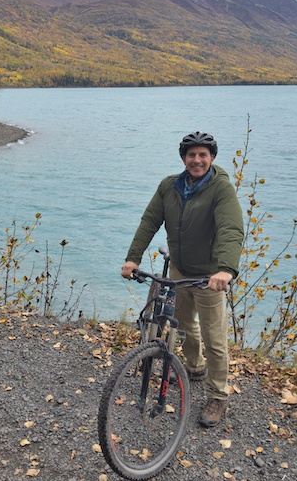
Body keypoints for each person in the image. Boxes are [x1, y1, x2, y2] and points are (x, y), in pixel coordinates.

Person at [121, 131, 244, 427]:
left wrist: (225, 269)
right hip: (178, 270)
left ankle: (218, 396)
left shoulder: (221, 189)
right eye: (192, 155)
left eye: (203, 155)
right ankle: (194, 367)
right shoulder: (169, 186)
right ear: (183, 159)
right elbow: (150, 221)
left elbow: (231, 229)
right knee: (185, 325)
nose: (197, 160)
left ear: (212, 158)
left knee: (215, 339)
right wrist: (132, 257)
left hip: (208, 276)